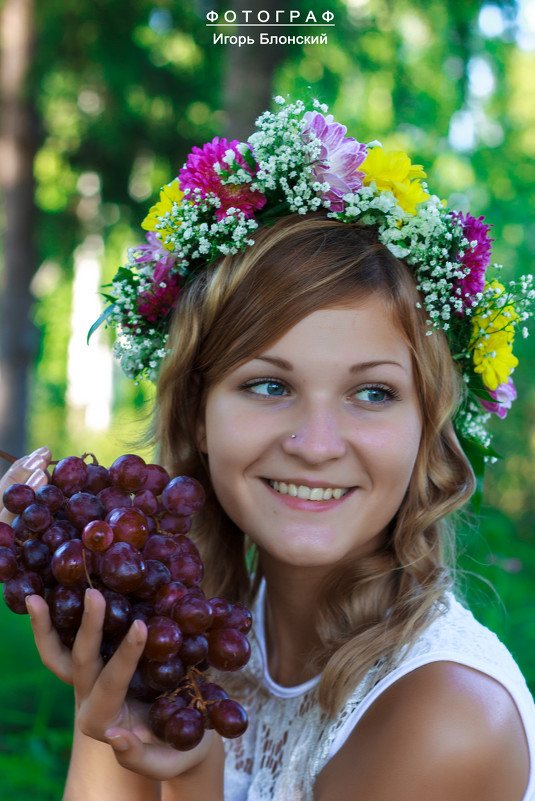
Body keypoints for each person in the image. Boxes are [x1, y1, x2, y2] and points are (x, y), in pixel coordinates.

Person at [1, 96, 534, 801]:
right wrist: (111, 688)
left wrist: (193, 777)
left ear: (427, 426)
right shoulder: (199, 636)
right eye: (267, 385)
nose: (315, 444)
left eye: (372, 393)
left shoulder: (447, 718)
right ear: (196, 409)